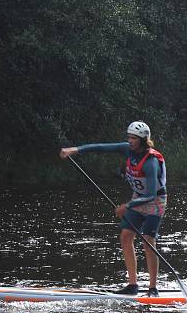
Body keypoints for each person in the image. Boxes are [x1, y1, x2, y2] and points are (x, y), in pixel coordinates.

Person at [60, 121, 166, 296]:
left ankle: (153, 288)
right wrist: (75, 150)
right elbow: (101, 148)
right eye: (129, 137)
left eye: (134, 138)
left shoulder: (151, 162)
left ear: (143, 139)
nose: (130, 141)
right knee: (125, 236)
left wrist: (127, 206)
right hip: (137, 199)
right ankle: (133, 285)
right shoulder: (127, 149)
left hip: (155, 201)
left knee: (148, 241)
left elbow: (152, 195)